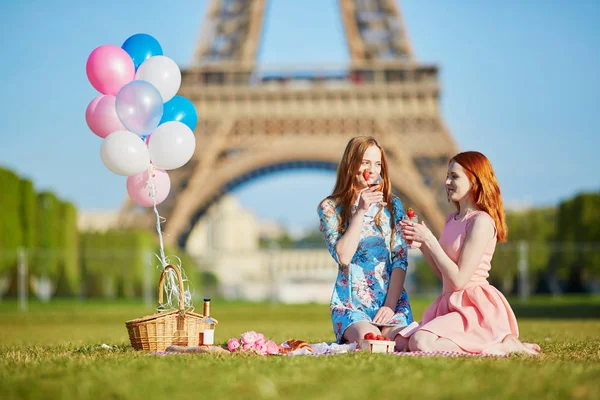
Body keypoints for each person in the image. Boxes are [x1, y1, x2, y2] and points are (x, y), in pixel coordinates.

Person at [398, 151, 540, 355]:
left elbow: (459, 280)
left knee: (421, 342)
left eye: (454, 176)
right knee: (406, 342)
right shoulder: (451, 220)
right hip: (450, 302)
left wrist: (430, 239)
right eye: (447, 176)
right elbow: (443, 275)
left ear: (475, 180)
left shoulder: (481, 222)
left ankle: (503, 344)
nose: (447, 181)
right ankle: (495, 343)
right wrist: (422, 244)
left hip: (473, 307)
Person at [317, 136, 413, 345]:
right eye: (366, 162)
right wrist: (360, 211)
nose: (373, 169)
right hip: (351, 305)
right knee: (371, 340)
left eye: (377, 164)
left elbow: (400, 259)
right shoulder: (330, 208)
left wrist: (389, 305)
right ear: (351, 165)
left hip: (390, 301)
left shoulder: (392, 206)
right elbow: (343, 256)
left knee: (403, 341)